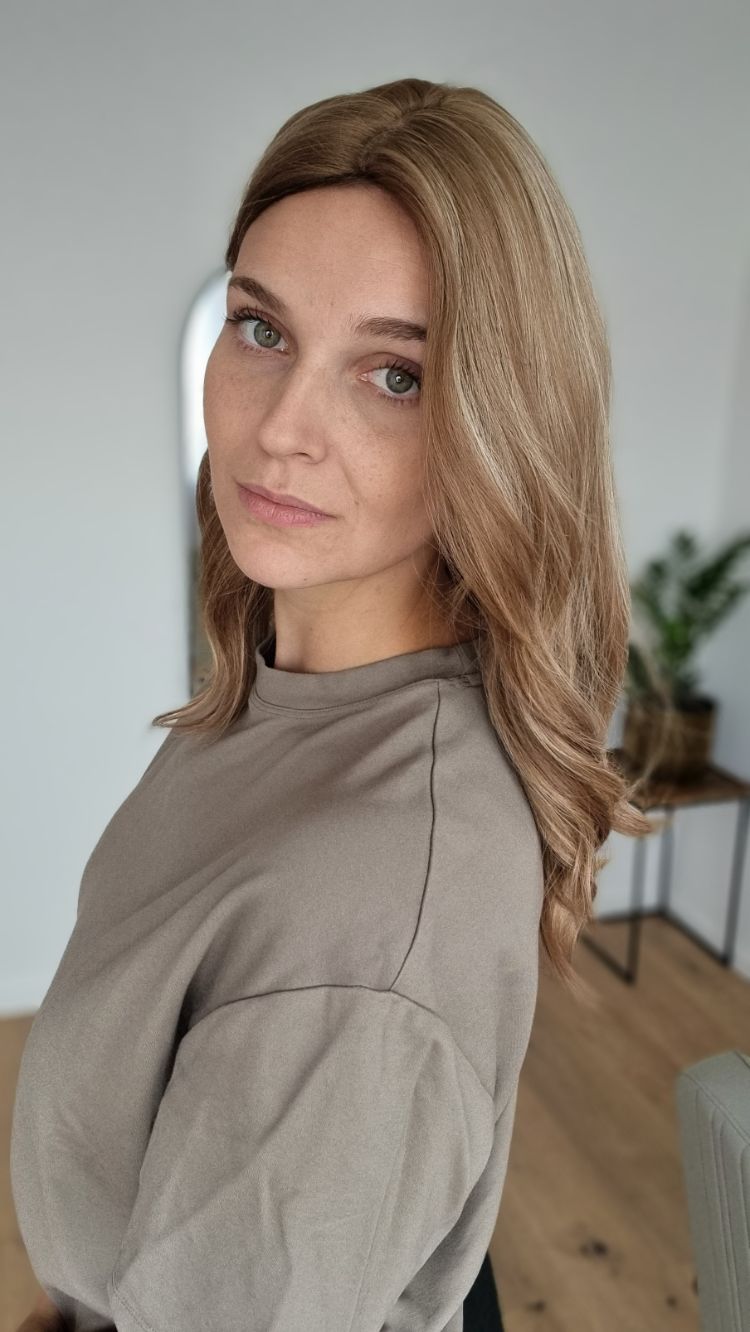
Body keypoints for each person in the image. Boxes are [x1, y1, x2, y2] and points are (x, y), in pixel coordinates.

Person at [10, 76, 654, 1331]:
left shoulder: (362, 927)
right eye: (261, 329)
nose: (280, 430)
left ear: (501, 424)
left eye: (394, 375)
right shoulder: (283, 687)